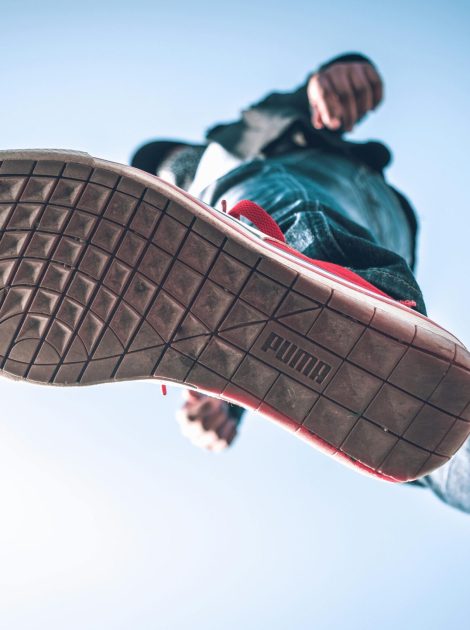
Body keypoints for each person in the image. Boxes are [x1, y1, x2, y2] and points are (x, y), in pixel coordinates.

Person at [0, 53, 469, 506]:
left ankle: (360, 299)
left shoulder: (227, 148)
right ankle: (379, 323)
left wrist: (323, 84)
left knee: (245, 198)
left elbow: (257, 288)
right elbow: (275, 339)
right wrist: (223, 410)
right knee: (426, 419)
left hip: (315, 184)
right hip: (383, 236)